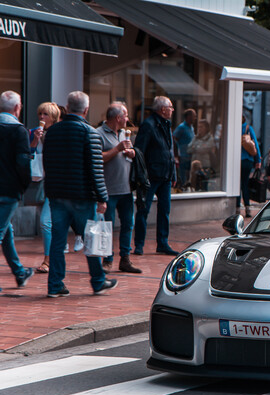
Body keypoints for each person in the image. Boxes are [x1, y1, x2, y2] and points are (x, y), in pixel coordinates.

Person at [42, 91, 116, 297]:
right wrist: (102, 197)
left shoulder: (53, 132)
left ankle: (55, 285)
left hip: (57, 195)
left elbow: (47, 162)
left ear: (67, 107)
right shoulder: (89, 133)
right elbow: (95, 168)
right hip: (82, 196)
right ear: (85, 109)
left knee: (57, 241)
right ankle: (98, 281)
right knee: (91, 240)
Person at [96, 103, 142, 274]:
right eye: (126, 115)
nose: (128, 119)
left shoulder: (124, 133)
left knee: (128, 224)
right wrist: (117, 149)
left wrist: (132, 153)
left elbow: (128, 154)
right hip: (108, 189)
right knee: (107, 226)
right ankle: (107, 259)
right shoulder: (98, 134)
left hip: (126, 189)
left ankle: (125, 259)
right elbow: (97, 158)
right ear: (118, 118)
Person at [133, 96, 179, 256]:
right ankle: (139, 244)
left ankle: (163, 243)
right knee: (143, 210)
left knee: (164, 210)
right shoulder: (149, 125)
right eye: (171, 107)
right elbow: (139, 151)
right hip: (151, 177)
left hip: (165, 176)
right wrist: (142, 175)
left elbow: (170, 150)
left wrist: (173, 173)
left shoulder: (166, 124)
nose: (173, 110)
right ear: (162, 109)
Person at [0, 91, 34, 292]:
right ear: (16, 108)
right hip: (9, 189)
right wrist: (24, 185)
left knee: (7, 231)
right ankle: (20, 273)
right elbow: (23, 163)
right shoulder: (19, 130)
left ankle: (20, 273)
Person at [29, 102, 61, 273]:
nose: (42, 117)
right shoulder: (35, 132)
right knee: (50, 222)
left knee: (46, 222)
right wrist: (35, 139)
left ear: (54, 117)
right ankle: (53, 257)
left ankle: (48, 260)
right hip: (42, 183)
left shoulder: (59, 132)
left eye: (46, 114)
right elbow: (29, 154)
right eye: (40, 113)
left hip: (56, 184)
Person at [239, 116, 261, 217]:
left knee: (237, 185)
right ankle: (247, 208)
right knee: (245, 184)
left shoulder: (234, 128)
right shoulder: (248, 128)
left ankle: (236, 209)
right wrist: (258, 160)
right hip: (247, 161)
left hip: (236, 161)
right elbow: (255, 144)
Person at [173, 108, 196, 188]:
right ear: (188, 116)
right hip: (183, 155)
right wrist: (177, 152)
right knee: (182, 176)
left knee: (189, 175)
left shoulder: (191, 127)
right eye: (193, 116)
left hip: (190, 156)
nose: (195, 118)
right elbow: (174, 138)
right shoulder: (181, 127)